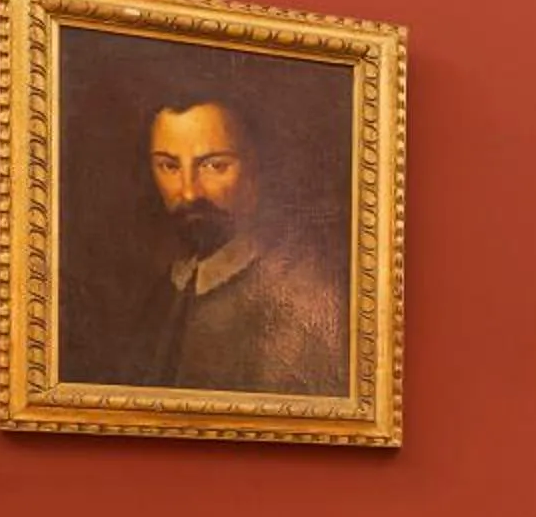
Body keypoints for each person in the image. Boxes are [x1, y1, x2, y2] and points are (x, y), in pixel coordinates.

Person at [86, 96, 344, 396]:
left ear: (259, 169)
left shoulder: (301, 296)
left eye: (214, 165)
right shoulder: (166, 290)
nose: (189, 191)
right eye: (169, 166)